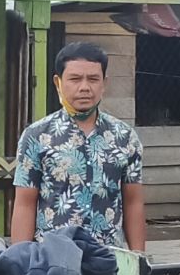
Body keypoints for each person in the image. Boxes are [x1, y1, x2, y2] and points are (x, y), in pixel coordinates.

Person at [11, 41, 146, 250]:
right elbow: (24, 204)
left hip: (108, 258)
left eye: (93, 79)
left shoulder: (125, 137)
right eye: (75, 79)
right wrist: (19, 259)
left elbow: (133, 202)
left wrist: (138, 258)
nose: (84, 87)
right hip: (53, 258)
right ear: (58, 82)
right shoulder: (36, 136)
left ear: (104, 83)